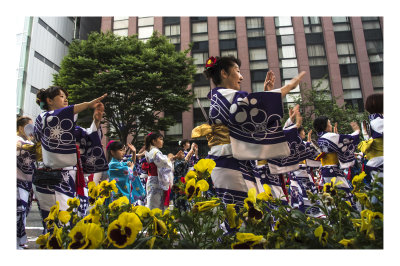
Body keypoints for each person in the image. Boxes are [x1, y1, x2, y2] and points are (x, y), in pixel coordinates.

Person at [192, 55, 306, 207]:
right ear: (224, 74)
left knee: (240, 216)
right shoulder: (227, 96)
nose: (241, 76)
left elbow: (252, 120)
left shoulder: (220, 97)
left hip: (227, 161)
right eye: (237, 71)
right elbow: (253, 109)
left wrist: (266, 95)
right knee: (244, 218)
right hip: (230, 162)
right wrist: (289, 86)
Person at [33, 86, 109, 225]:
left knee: (75, 221)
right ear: (49, 100)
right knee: (57, 224)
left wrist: (96, 121)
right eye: (61, 96)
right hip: (53, 178)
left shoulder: (73, 129)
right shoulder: (43, 119)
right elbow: (55, 118)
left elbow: (89, 137)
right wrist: (87, 104)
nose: (66, 99)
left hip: (74, 178)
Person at [313, 116, 360, 204]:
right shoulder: (329, 136)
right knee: (345, 195)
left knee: (332, 196)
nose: (330, 126)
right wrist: (357, 131)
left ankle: (335, 215)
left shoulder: (320, 138)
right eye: (329, 124)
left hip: (326, 171)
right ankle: (348, 215)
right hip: (334, 171)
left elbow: (337, 143)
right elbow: (348, 139)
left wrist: (336, 136)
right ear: (325, 126)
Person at [16, 116, 36, 249]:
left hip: (27, 184)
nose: (31, 130)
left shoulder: (28, 141)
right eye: (29, 127)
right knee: (19, 212)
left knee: (23, 212)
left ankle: (19, 241)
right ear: (21, 128)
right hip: (17, 182)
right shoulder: (17, 140)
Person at [106, 140, 145, 205]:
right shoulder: (112, 165)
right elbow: (128, 172)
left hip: (122, 194)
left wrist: (134, 152)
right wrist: (131, 167)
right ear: (112, 152)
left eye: (124, 150)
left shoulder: (118, 163)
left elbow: (131, 163)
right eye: (121, 150)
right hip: (116, 196)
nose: (123, 152)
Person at [144, 132, 175, 210]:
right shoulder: (156, 152)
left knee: (152, 203)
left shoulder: (149, 151)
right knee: (157, 205)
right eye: (160, 139)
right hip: (156, 181)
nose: (162, 141)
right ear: (154, 141)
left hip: (151, 179)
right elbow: (165, 163)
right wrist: (171, 158)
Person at [358, 93, 383, 184]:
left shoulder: (374, 121)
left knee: (378, 191)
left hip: (376, 161)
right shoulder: (379, 122)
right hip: (381, 161)